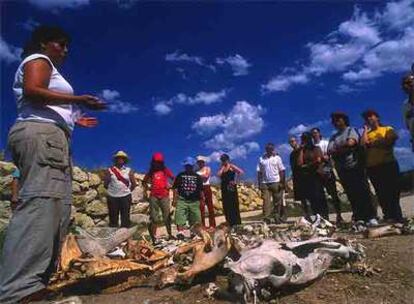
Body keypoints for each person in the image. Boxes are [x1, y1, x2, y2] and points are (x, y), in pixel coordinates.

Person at [0, 25, 106, 303]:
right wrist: (79, 99)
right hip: (41, 135)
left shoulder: (49, 66)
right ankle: (19, 289)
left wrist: (73, 119)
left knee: (56, 208)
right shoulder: (39, 60)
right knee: (42, 202)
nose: (65, 49)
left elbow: (44, 104)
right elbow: (34, 91)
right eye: (60, 43)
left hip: (52, 136)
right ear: (44, 44)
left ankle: (34, 284)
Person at [327, 112, 377, 228]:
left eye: (338, 119)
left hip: (355, 166)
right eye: (334, 120)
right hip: (342, 169)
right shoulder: (333, 137)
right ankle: (359, 217)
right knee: (351, 194)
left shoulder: (351, 131)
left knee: (363, 192)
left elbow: (351, 143)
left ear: (344, 120)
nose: (336, 122)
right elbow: (329, 150)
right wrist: (344, 148)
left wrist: (339, 149)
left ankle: (371, 217)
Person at [361, 110, 403, 223]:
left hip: (388, 164)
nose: (368, 119)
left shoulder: (387, 129)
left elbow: (391, 139)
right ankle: (388, 216)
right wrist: (365, 131)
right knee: (381, 193)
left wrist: (373, 144)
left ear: (377, 118)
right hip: (373, 167)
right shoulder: (367, 134)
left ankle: (397, 217)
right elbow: (363, 145)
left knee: (393, 191)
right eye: (366, 118)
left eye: (371, 116)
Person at [311, 128, 344, 223]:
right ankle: (324, 217)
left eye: (316, 133)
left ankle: (338, 214)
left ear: (319, 134)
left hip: (327, 170)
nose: (314, 135)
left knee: (333, 193)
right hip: (317, 173)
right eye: (313, 134)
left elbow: (328, 155)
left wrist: (322, 159)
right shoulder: (312, 146)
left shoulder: (325, 143)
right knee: (320, 196)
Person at [143, 152, 175, 243]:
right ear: (153, 162)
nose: (157, 164)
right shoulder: (151, 171)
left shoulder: (165, 170)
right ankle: (153, 237)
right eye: (156, 162)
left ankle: (170, 234)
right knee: (154, 217)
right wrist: (146, 190)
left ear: (161, 163)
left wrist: (172, 187)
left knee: (167, 216)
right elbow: (144, 181)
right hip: (154, 196)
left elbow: (173, 177)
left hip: (164, 195)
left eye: (159, 162)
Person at [297, 132, 329, 219]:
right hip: (308, 176)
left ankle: (324, 216)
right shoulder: (303, 151)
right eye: (303, 139)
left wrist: (306, 165)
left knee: (319, 196)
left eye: (305, 139)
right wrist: (301, 150)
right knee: (312, 198)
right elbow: (299, 163)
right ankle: (317, 216)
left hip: (317, 174)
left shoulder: (316, 148)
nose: (304, 141)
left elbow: (318, 160)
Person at [104, 151, 137, 228]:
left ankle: (125, 235)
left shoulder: (129, 170)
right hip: (112, 197)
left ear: (124, 160)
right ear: (116, 159)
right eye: (118, 158)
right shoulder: (110, 170)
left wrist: (127, 191)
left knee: (125, 217)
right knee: (113, 218)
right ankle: (113, 236)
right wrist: (113, 190)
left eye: (122, 158)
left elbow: (133, 184)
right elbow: (106, 184)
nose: (120, 159)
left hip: (125, 196)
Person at [172, 157, 204, 236]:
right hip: (182, 200)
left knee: (195, 217)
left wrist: (202, 200)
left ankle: (194, 233)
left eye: (190, 166)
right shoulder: (180, 175)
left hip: (194, 200)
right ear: (185, 166)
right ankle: (180, 233)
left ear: (192, 166)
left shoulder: (198, 177)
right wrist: (175, 199)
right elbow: (175, 188)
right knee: (179, 215)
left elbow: (201, 190)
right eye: (187, 166)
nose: (188, 167)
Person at [257, 143, 286, 224]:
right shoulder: (261, 159)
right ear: (266, 150)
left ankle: (277, 217)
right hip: (265, 183)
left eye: (271, 149)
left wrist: (282, 182)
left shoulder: (277, 158)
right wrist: (259, 183)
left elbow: (282, 170)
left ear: (273, 149)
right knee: (266, 202)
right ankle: (266, 218)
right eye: (268, 149)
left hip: (276, 182)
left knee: (277, 201)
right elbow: (259, 172)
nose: (269, 150)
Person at [218, 154, 244, 226]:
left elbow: (241, 172)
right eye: (222, 160)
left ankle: (236, 222)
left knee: (233, 203)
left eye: (225, 159)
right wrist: (223, 167)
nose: (224, 161)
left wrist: (235, 181)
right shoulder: (222, 168)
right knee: (226, 204)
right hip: (224, 187)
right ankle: (229, 221)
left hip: (231, 186)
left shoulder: (231, 166)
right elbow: (219, 175)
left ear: (228, 159)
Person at [288, 136, 311, 219]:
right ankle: (307, 214)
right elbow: (292, 165)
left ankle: (315, 214)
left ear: (296, 141)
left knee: (310, 195)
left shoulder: (303, 150)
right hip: (297, 176)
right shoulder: (291, 154)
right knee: (302, 197)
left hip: (305, 174)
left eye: (293, 141)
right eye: (290, 142)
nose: (292, 143)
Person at [196, 155, 216, 229]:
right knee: (201, 207)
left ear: (203, 162)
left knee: (210, 205)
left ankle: (212, 225)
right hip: (200, 188)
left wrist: (198, 177)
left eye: (201, 162)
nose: (200, 163)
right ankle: (203, 225)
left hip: (207, 187)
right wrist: (201, 177)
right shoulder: (196, 171)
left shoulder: (207, 168)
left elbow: (206, 176)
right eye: (199, 162)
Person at [402, 73, 414, 151]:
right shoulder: (405, 105)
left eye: (410, 82)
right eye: (404, 84)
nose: (406, 85)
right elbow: (408, 126)